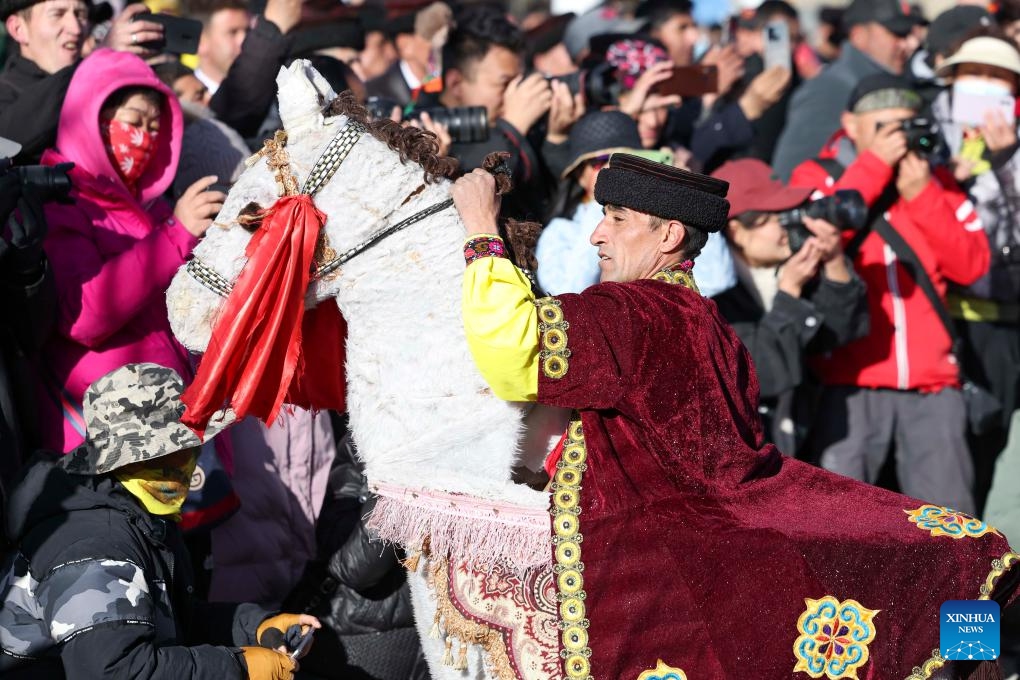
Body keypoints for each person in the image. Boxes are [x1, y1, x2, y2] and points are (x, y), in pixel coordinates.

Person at [451, 151, 1017, 679]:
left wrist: (480, 230)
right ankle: (979, 661)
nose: (598, 233)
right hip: (731, 553)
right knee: (956, 556)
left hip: (661, 576)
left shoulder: (628, 312)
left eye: (618, 218)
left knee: (940, 563)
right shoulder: (707, 320)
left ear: (669, 234)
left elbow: (513, 351)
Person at [0, 363, 319, 679]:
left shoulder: (138, 509)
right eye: (162, 457)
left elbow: (169, 620)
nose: (181, 467)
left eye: (186, 451)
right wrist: (239, 667)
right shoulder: (95, 543)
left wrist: (256, 626)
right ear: (125, 460)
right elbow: (115, 672)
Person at [791, 74, 990, 514]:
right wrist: (874, 167)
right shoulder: (820, 175)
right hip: (849, 386)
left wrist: (922, 195)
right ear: (850, 124)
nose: (898, 139)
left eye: (907, 125)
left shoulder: (932, 181)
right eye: (884, 127)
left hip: (933, 387)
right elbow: (819, 232)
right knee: (841, 531)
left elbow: (972, 267)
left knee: (949, 536)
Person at [35, 47, 223, 455]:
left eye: (156, 128)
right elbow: (83, 314)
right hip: (110, 442)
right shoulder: (63, 203)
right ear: (94, 122)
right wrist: (176, 235)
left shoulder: (151, 209)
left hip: (165, 432)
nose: (145, 138)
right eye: (134, 122)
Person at [710, 158, 868, 455]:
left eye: (787, 214)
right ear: (737, 231)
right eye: (774, 218)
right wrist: (789, 294)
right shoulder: (715, 297)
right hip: (746, 454)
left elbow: (838, 335)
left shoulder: (786, 271)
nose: (787, 226)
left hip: (801, 440)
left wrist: (834, 262)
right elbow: (760, 376)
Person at [931, 36, 1020, 512]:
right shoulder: (931, 136)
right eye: (973, 74)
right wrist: (947, 175)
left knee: (990, 444)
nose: (983, 86)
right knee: (946, 454)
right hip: (940, 318)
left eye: (997, 76)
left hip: (1002, 322)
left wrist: (1007, 163)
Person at [771, 0, 923, 179]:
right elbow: (790, 179)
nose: (907, 44)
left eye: (908, 34)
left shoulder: (902, 83)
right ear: (858, 35)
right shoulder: (829, 89)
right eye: (897, 33)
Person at [0, 0, 163, 162]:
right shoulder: (6, 92)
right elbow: (11, 138)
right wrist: (101, 59)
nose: (76, 28)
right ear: (18, 29)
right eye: (57, 14)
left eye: (81, 15)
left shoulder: (104, 84)